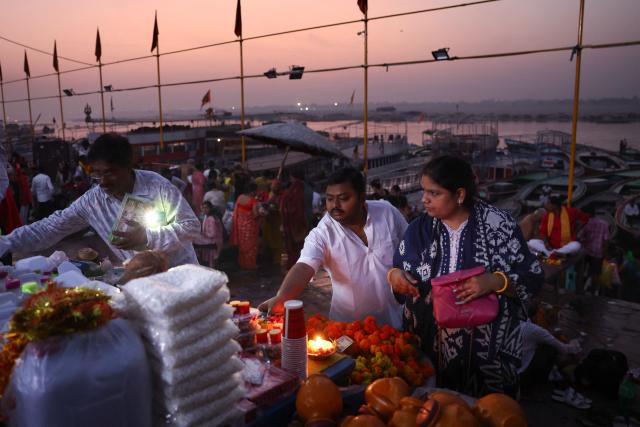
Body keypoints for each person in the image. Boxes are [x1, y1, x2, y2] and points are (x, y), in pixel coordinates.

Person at [388, 155, 543, 397]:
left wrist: (496, 281)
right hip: (428, 344)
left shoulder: (498, 226)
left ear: (459, 195)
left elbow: (532, 276)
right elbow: (399, 265)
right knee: (430, 412)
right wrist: (395, 276)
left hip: (486, 354)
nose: (424, 199)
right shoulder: (420, 227)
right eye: (423, 191)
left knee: (484, 415)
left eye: (434, 193)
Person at [0, 133, 200, 267]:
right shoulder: (93, 201)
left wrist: (148, 237)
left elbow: (191, 226)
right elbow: (50, 227)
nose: (102, 182)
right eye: (97, 174)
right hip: (143, 282)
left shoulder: (157, 186)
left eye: (110, 173)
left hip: (181, 274)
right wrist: (6, 242)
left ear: (128, 167)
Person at [260, 167, 408, 329]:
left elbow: (412, 246)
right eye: (329, 199)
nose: (335, 205)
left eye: (343, 198)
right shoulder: (323, 232)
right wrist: (282, 297)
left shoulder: (387, 212)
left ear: (362, 198)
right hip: (348, 329)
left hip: (396, 322)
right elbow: (304, 266)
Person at [577, 206, 610, 293]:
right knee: (595, 273)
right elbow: (606, 241)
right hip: (598, 252)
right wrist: (603, 252)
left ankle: (579, 290)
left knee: (580, 271)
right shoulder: (604, 224)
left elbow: (579, 237)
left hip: (585, 252)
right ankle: (593, 292)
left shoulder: (585, 223)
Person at [230, 181, 262, 269]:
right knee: (251, 246)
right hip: (250, 227)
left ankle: (242, 263)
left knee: (243, 245)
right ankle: (250, 264)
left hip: (240, 226)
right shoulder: (253, 200)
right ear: (252, 191)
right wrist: (262, 214)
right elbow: (255, 215)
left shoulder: (240, 197)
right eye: (256, 190)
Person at [280, 172, 308, 270]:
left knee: (292, 248)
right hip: (299, 224)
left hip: (291, 225)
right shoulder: (304, 190)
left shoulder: (289, 194)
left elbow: (284, 210)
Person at [193, 201, 224, 268]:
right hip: (211, 238)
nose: (204, 209)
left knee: (194, 241)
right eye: (203, 208)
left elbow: (212, 234)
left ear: (210, 208)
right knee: (194, 238)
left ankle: (199, 262)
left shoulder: (211, 218)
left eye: (206, 208)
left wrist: (202, 235)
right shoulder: (206, 217)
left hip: (214, 240)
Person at [262, 179, 284, 266]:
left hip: (277, 221)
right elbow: (267, 203)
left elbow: (280, 209)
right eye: (272, 186)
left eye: (274, 186)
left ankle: (277, 259)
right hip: (270, 220)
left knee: (278, 240)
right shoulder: (272, 195)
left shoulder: (282, 196)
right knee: (268, 239)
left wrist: (271, 208)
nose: (273, 188)